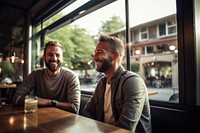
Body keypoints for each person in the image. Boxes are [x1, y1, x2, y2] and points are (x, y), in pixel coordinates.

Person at [82, 35, 152, 133]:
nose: (95, 57)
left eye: (100, 52)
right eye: (95, 52)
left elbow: (126, 127)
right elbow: (87, 112)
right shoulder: (102, 83)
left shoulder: (132, 81)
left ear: (115, 56)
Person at [12, 41, 80, 114]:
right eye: (50, 54)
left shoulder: (71, 77)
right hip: (40, 117)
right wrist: (39, 100)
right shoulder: (36, 74)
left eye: (57, 55)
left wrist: (49, 102)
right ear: (44, 57)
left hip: (64, 120)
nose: (54, 58)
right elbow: (16, 98)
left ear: (62, 58)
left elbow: (74, 107)